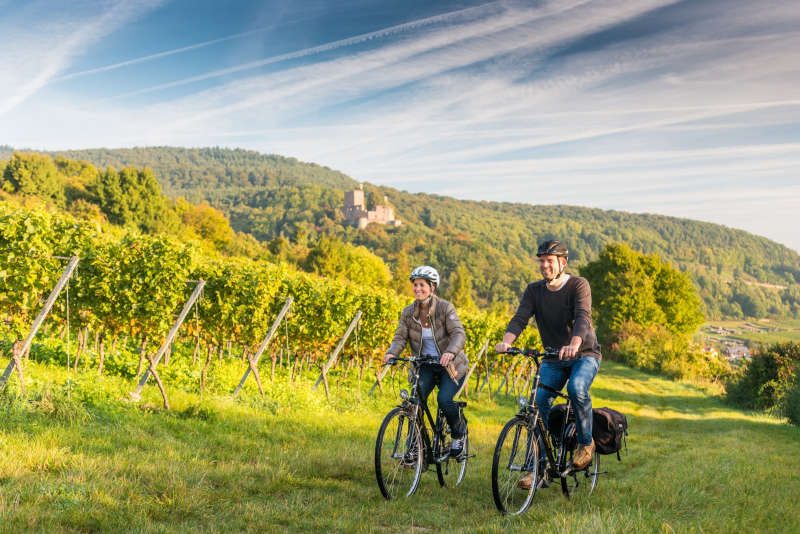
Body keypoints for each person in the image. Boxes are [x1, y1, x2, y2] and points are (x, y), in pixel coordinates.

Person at [495, 240, 601, 488]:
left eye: (549, 261)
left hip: (584, 354)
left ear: (562, 263)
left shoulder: (578, 285)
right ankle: (540, 467)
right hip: (553, 357)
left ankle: (586, 443)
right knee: (538, 402)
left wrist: (575, 343)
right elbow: (520, 318)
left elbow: (583, 317)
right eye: (541, 261)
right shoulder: (534, 291)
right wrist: (506, 342)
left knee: (576, 389)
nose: (544, 266)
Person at [383, 265, 469, 457]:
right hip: (425, 366)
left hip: (451, 366)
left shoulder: (445, 308)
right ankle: (415, 449)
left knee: (444, 400)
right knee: (415, 403)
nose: (417, 289)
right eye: (415, 285)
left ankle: (458, 434)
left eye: (422, 285)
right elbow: (400, 338)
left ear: (432, 287)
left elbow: (458, 334)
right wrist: (391, 353)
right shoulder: (408, 312)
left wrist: (450, 352)